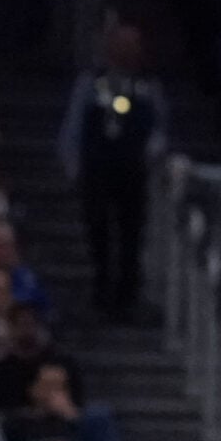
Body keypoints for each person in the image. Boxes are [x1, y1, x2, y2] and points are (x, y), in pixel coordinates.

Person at [58, 25, 165, 319]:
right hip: (97, 169)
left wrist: (154, 152)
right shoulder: (91, 82)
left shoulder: (148, 85)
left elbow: (159, 126)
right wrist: (73, 166)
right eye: (121, 45)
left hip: (132, 170)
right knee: (98, 227)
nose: (128, 52)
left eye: (133, 46)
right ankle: (101, 285)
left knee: (131, 232)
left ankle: (127, 293)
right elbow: (74, 125)